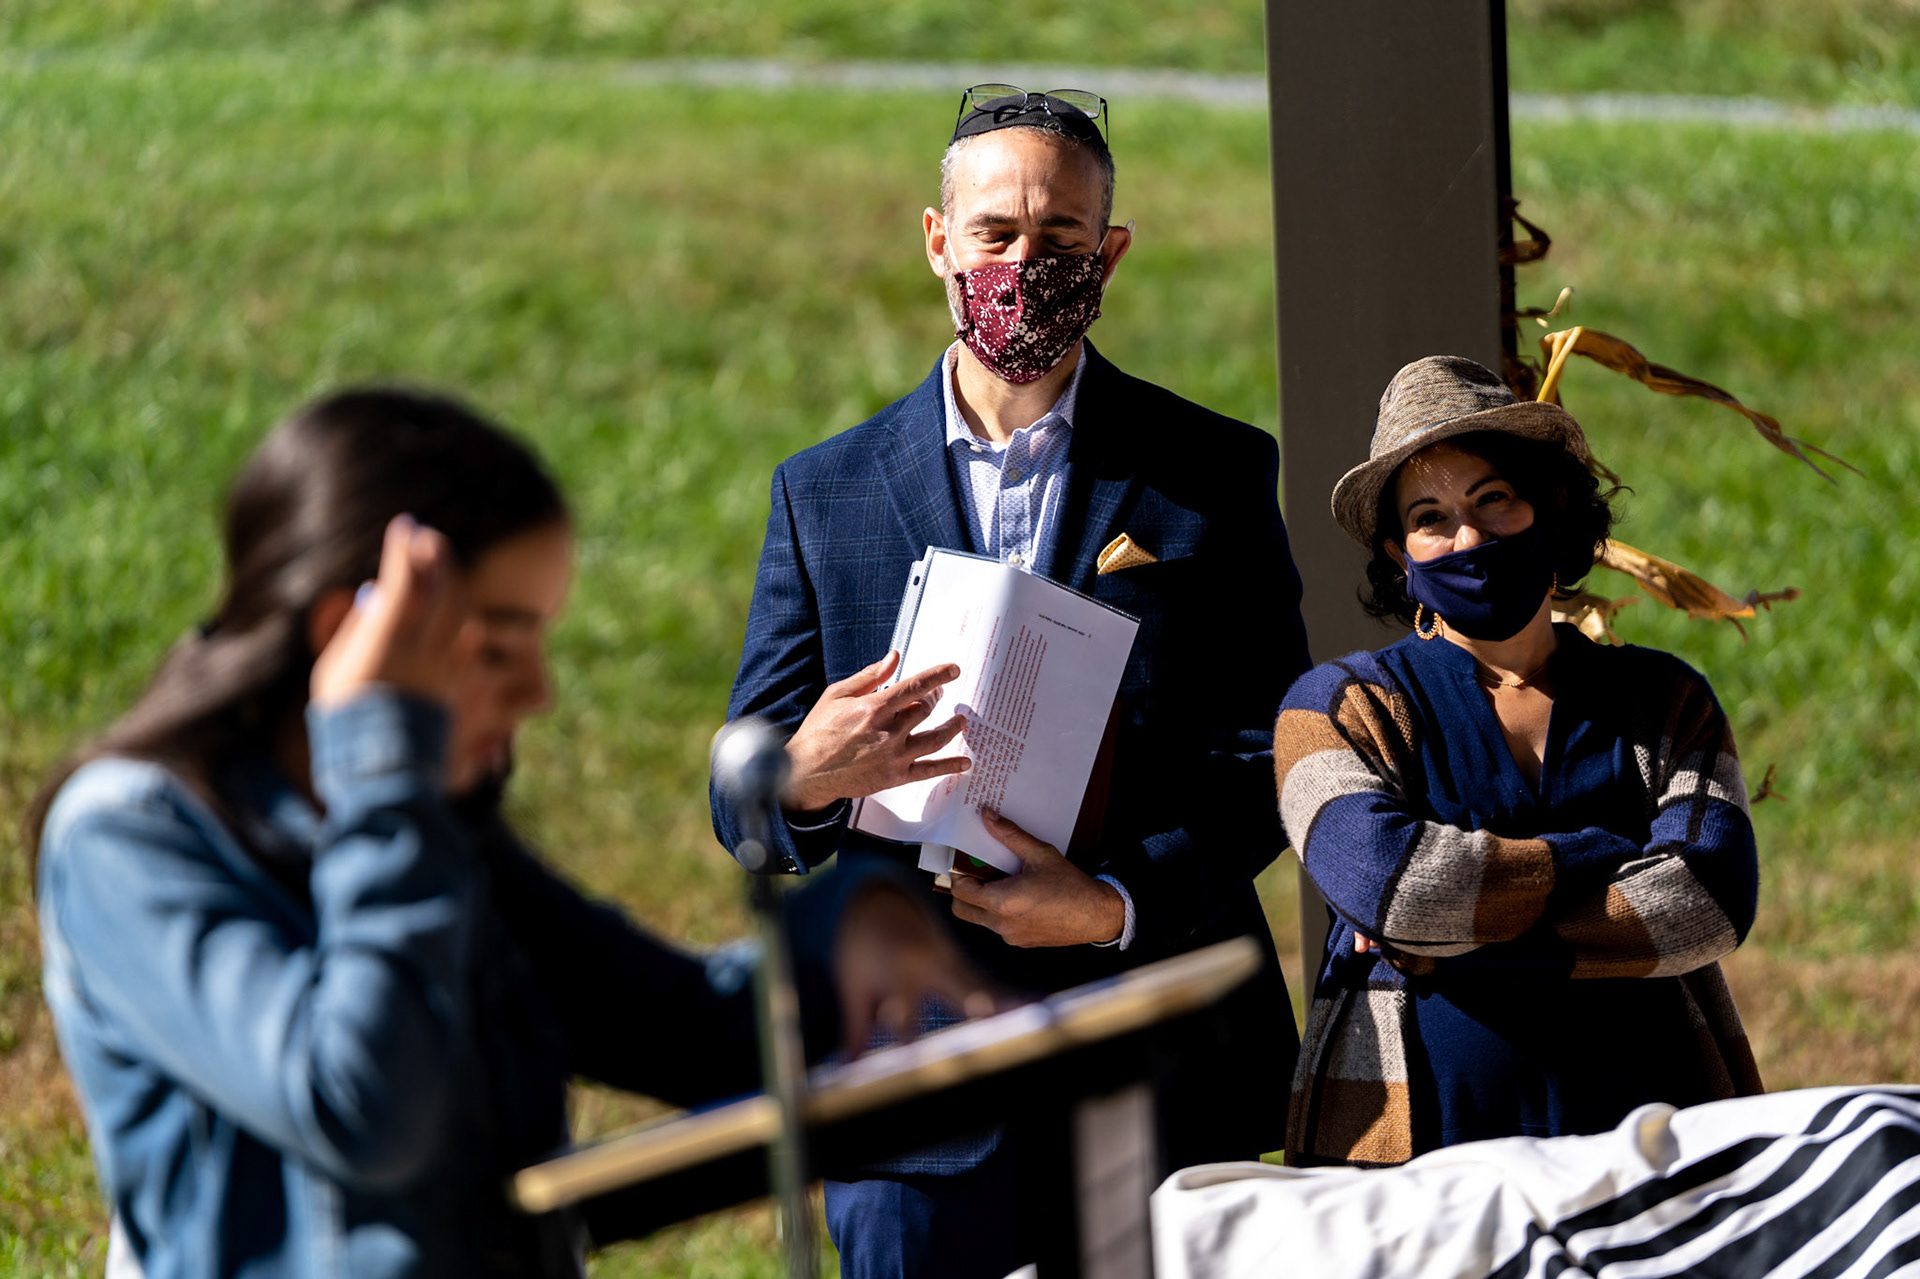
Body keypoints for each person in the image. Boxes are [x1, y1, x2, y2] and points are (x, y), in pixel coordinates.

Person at [29, 389, 995, 1279]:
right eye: (497, 644)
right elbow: (363, 1103)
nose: (537, 693)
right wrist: (381, 757)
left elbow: (680, 1027)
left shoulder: (417, 825)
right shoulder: (128, 839)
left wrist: (843, 931)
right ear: (347, 633)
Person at [714, 86, 1312, 1276]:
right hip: (913, 1088)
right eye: (993, 234)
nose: (1023, 265)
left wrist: (1117, 900)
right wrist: (801, 781)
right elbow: (743, 800)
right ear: (938, 239)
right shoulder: (823, 491)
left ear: (1112, 253)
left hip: (1161, 1052)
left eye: (1062, 241)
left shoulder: (1212, 470)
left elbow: (1274, 749)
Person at [1275, 355, 1763, 1168]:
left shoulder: (1662, 699)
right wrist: (1602, 852)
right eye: (1430, 517)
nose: (1467, 537)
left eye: (1492, 499)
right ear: (1401, 554)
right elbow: (1388, 884)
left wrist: (1460, 940)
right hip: (1415, 1161)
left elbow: (1709, 897)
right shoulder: (1334, 708)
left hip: (1658, 1146)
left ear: (1551, 505)